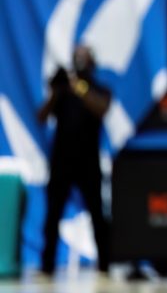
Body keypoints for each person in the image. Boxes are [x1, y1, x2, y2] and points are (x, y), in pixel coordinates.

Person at [37, 45, 112, 275]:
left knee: (97, 214)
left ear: (92, 63)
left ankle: (105, 263)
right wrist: (55, 92)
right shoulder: (62, 92)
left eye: (83, 58)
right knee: (53, 214)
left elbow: (102, 109)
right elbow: (41, 116)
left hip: (88, 163)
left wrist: (79, 87)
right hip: (62, 162)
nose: (79, 61)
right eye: (76, 57)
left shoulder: (99, 89)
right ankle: (47, 264)